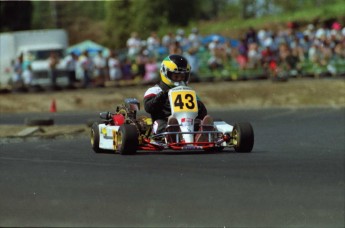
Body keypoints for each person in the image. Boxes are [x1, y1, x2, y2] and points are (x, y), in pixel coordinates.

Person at [143, 54, 213, 142]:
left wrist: (198, 105)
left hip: (188, 121)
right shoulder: (155, 90)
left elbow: (203, 112)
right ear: (165, 72)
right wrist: (162, 96)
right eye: (176, 76)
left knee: (198, 123)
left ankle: (201, 134)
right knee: (161, 124)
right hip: (165, 120)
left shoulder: (189, 92)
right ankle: (172, 135)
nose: (179, 79)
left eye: (182, 77)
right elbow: (148, 107)